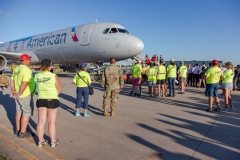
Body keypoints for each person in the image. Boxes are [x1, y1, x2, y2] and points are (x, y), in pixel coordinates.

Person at [34, 59, 62, 147]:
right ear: (49, 66)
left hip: (41, 99)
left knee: (41, 121)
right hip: (52, 99)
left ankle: (40, 141)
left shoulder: (37, 75)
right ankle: (53, 142)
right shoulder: (53, 75)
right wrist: (53, 94)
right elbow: (59, 89)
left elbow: (35, 87)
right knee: (51, 122)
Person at [11, 54, 35, 138]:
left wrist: (13, 91)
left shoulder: (16, 69)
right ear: (27, 60)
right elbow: (25, 82)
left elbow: (12, 80)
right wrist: (20, 93)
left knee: (19, 111)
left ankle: (17, 130)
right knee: (26, 112)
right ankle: (23, 132)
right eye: (29, 60)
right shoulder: (26, 70)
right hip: (24, 94)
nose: (30, 62)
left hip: (17, 94)